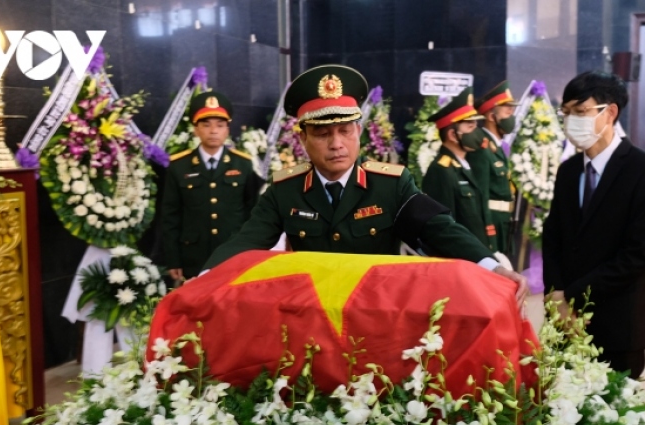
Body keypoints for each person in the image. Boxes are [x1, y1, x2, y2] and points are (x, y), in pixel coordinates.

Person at [203, 65, 527, 303]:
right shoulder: (285, 191)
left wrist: (491, 265)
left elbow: (438, 227)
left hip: (377, 309)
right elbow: (247, 241)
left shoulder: (391, 184)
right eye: (322, 133)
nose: (336, 143)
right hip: (313, 311)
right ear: (302, 138)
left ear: (359, 132)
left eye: (345, 130)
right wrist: (204, 278)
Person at [542, 71, 645, 378]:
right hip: (564, 322)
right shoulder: (570, 170)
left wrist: (573, 299)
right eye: (567, 113)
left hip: (617, 321)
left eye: (580, 112)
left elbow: (636, 256)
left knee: (612, 416)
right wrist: (556, 295)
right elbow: (554, 235)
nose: (571, 120)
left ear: (609, 112)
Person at [161, 91, 262, 281]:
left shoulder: (243, 164)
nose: (213, 131)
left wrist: (252, 253)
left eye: (220, 125)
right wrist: (173, 260)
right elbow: (170, 216)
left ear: (227, 130)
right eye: (206, 125)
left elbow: (253, 213)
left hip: (233, 253)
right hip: (193, 256)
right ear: (195, 129)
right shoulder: (179, 166)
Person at [422, 87, 496, 252]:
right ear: (452, 135)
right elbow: (444, 229)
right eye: (470, 127)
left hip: (477, 256)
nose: (476, 132)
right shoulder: (441, 171)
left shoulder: (464, 166)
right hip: (462, 259)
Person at [468, 81, 519, 258]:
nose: (511, 115)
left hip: (503, 222)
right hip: (492, 224)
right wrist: (488, 233)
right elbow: (481, 195)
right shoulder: (482, 148)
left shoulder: (496, 148)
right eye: (507, 110)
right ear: (491, 116)